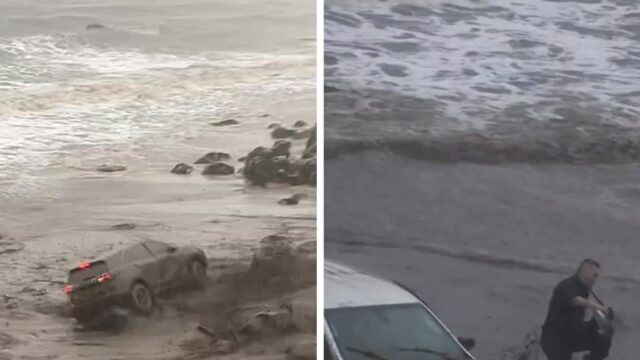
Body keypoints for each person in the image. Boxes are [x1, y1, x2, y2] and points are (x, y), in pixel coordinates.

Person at [540, 259, 614, 360]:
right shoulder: (567, 285)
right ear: (583, 272)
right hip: (555, 338)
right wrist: (599, 307)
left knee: (603, 340)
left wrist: (605, 316)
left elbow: (598, 313)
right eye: (594, 275)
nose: (595, 279)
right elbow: (577, 300)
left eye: (597, 276)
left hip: (573, 335)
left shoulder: (587, 290)